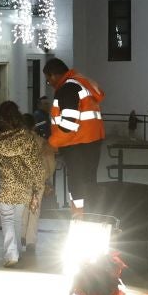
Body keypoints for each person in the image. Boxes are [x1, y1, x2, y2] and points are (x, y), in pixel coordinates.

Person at [0, 101, 50, 268]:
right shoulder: (27, 138)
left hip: (4, 186)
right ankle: (15, 252)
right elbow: (36, 165)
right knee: (17, 220)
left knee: (7, 220)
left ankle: (11, 253)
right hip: (24, 187)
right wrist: (38, 187)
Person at [42, 57, 106, 211]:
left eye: (48, 80)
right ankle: (92, 214)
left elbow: (68, 125)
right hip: (92, 140)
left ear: (53, 75)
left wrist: (51, 144)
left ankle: (79, 216)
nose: (49, 83)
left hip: (76, 143)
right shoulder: (81, 83)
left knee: (76, 183)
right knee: (89, 180)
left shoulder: (68, 88)